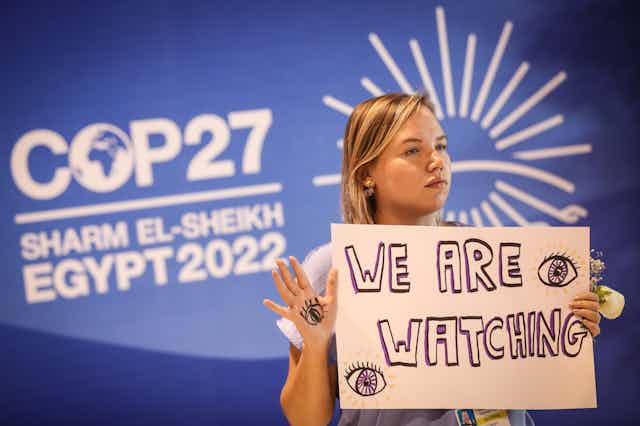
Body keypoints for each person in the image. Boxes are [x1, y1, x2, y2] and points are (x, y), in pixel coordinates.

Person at [263, 93, 601, 426]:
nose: (437, 161)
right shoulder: (334, 267)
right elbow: (306, 420)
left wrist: (566, 327)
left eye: (440, 145)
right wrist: (316, 343)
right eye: (413, 150)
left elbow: (527, 365)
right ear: (367, 173)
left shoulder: (493, 258)